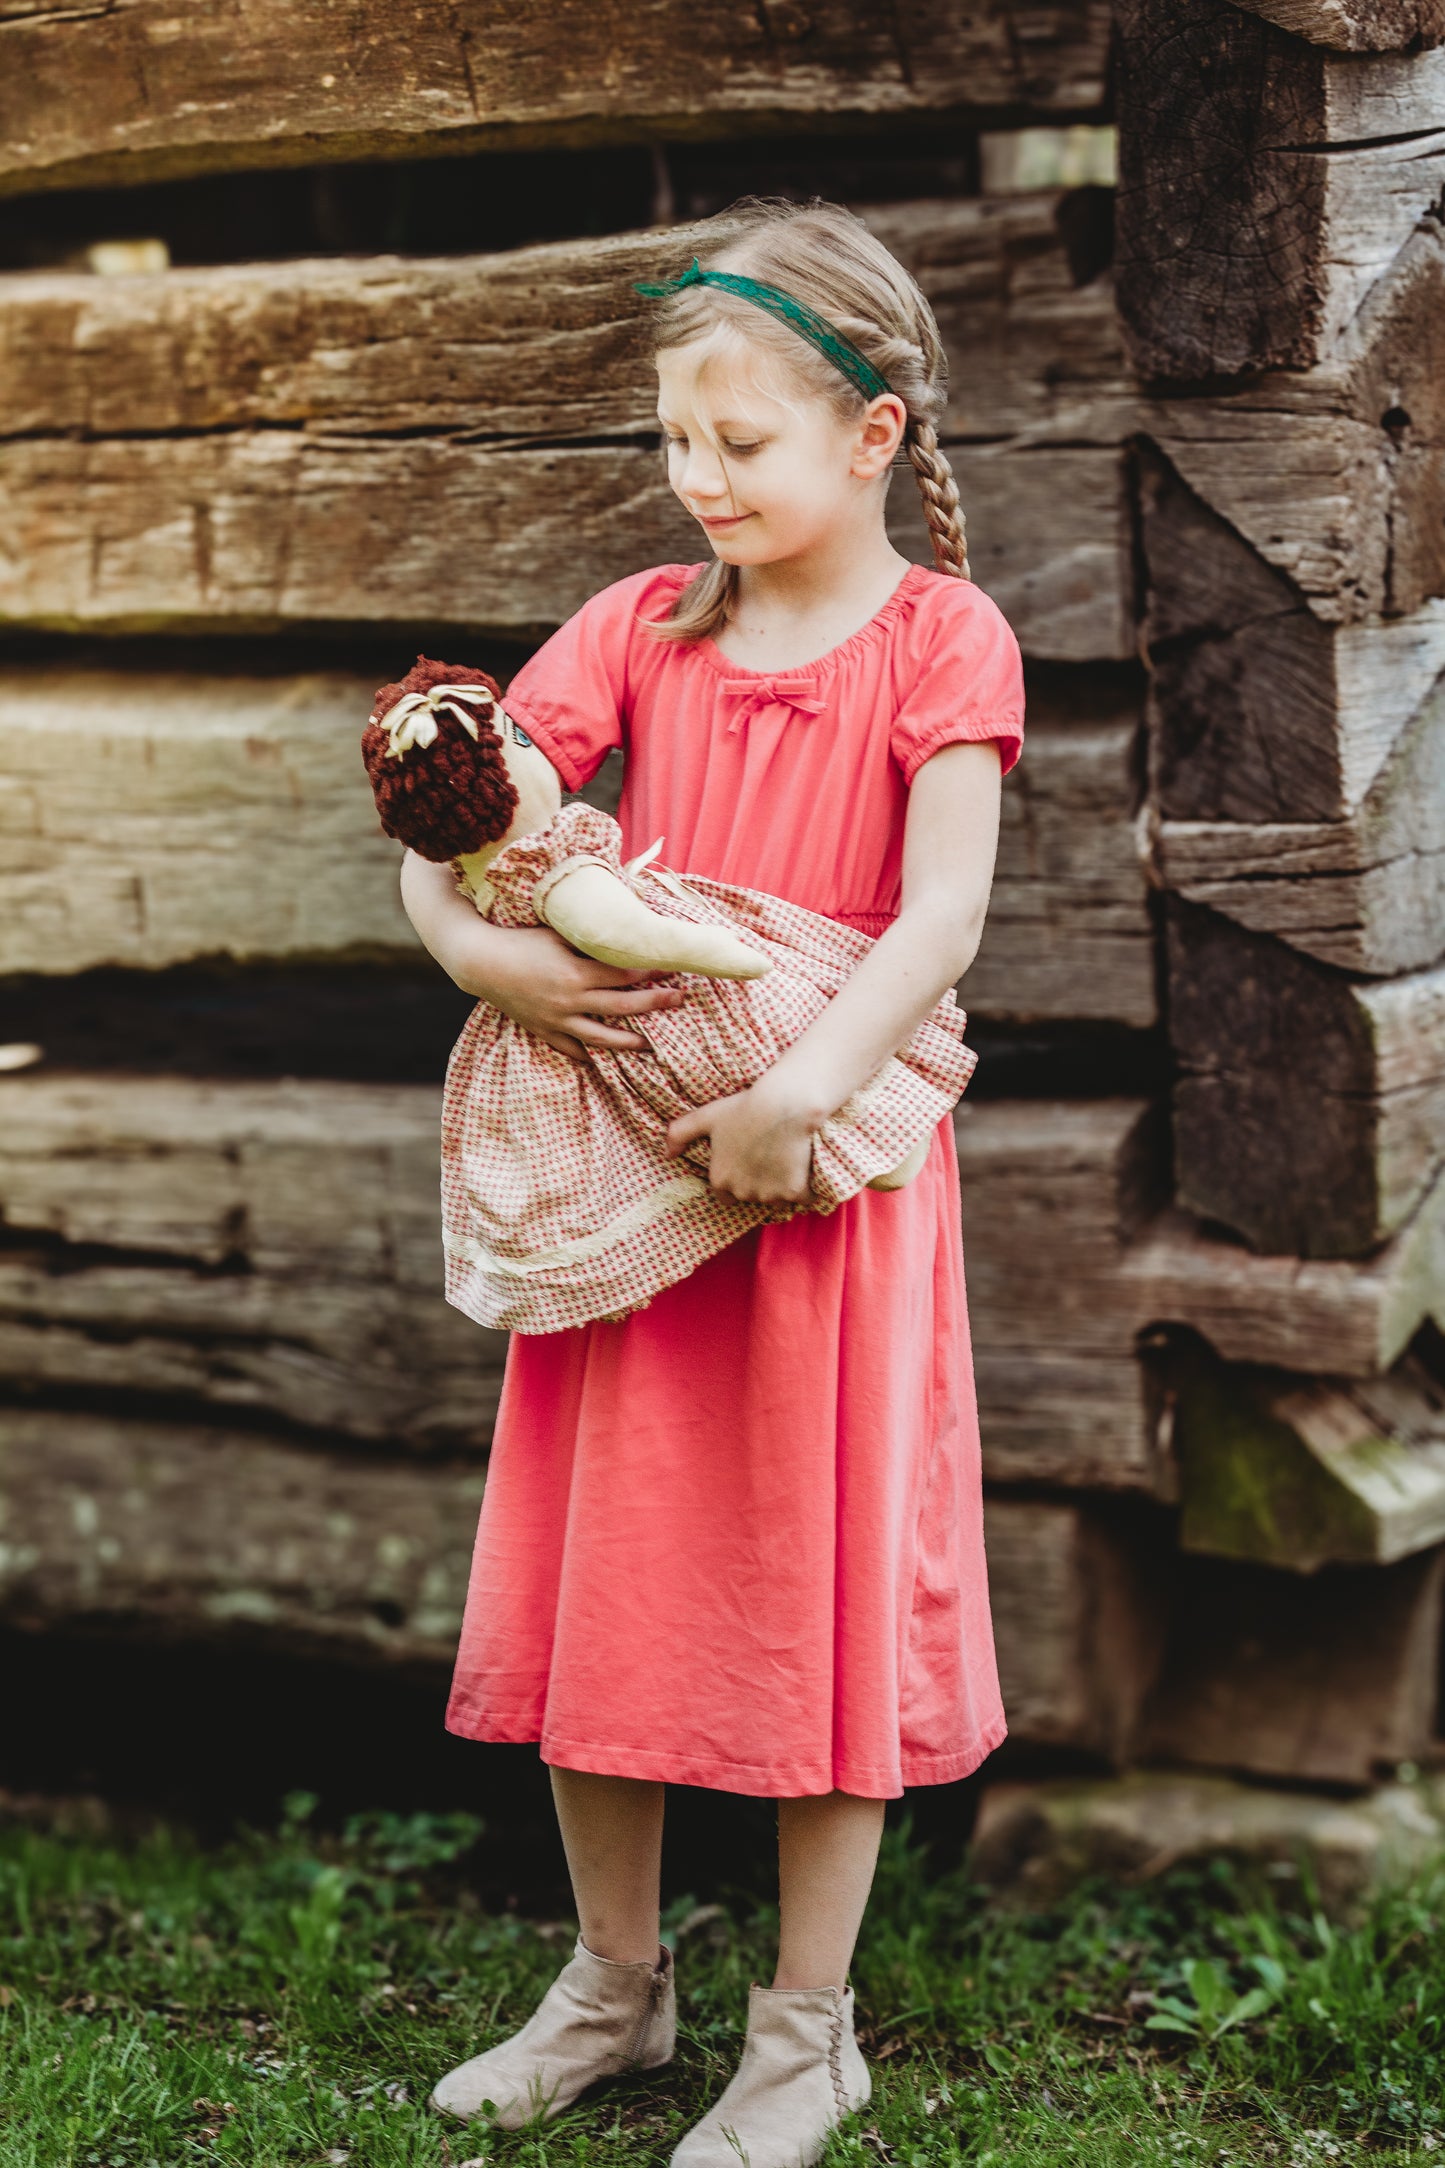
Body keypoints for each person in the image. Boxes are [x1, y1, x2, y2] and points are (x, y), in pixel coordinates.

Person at [399, 195, 1024, 2168]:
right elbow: (462, 816)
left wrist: (800, 1098)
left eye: (742, 442)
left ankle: (804, 2030)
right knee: (619, 1577)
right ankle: (612, 1982)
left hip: (819, 1185)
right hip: (635, 1199)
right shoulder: (639, 627)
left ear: (875, 429)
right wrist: (493, 957)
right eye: (680, 442)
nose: (703, 480)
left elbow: (940, 921)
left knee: (808, 1594)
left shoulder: (940, 638)